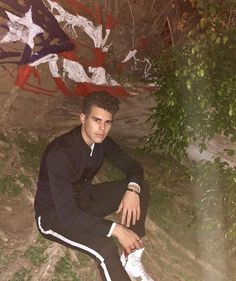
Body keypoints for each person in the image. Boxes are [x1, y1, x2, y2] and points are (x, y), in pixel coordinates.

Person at [34, 91, 154, 281]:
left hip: (85, 200)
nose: (102, 128)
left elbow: (133, 167)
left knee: (141, 187)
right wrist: (116, 229)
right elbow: (68, 215)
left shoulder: (102, 142)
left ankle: (130, 258)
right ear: (83, 118)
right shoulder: (61, 154)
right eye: (96, 120)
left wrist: (132, 189)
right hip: (55, 216)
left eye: (107, 122)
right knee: (105, 247)